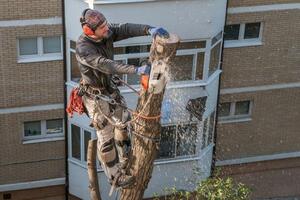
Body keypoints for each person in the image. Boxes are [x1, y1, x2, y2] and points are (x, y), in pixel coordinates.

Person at [75, 8, 169, 188]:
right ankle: (115, 177)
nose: (107, 29)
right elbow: (106, 65)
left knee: (124, 121)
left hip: (109, 89)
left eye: (106, 24)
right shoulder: (83, 49)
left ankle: (124, 156)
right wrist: (136, 70)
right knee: (106, 137)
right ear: (89, 31)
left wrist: (148, 29)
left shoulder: (105, 32)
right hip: (95, 98)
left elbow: (125, 29)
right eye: (102, 28)